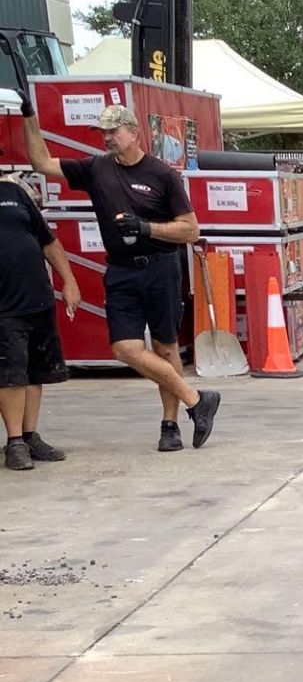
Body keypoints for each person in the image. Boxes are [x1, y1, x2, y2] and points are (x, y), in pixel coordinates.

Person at [21, 101, 220, 452]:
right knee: (124, 348)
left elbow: (190, 230)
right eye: (103, 132)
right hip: (121, 270)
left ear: (134, 132)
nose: (107, 138)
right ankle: (195, 399)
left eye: (113, 131)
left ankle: (170, 425)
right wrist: (30, 116)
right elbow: (41, 163)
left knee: (165, 346)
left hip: (159, 267)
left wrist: (146, 227)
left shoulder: (161, 174)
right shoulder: (95, 168)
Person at [0, 176, 80, 472]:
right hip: (4, 305)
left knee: (35, 371)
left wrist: (69, 281)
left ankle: (30, 435)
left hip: (37, 297)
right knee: (10, 374)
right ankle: (14, 441)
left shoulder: (14, 192)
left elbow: (49, 241)